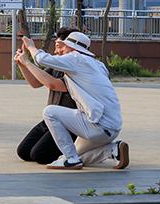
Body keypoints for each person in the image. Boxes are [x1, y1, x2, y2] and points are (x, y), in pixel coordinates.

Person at [22, 31, 129, 170]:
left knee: (50, 112)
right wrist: (24, 63)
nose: (59, 51)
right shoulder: (98, 65)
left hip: (97, 125)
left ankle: (71, 160)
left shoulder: (76, 58)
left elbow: (41, 59)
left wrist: (31, 47)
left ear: (72, 48)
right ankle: (113, 150)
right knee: (75, 156)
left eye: (63, 46)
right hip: (111, 127)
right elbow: (39, 81)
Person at [13, 27, 78, 165]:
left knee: (40, 155)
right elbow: (36, 83)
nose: (56, 51)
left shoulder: (79, 67)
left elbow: (53, 84)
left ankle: (79, 151)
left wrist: (28, 61)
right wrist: (22, 64)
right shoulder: (56, 64)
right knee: (24, 152)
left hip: (69, 123)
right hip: (51, 120)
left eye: (59, 47)